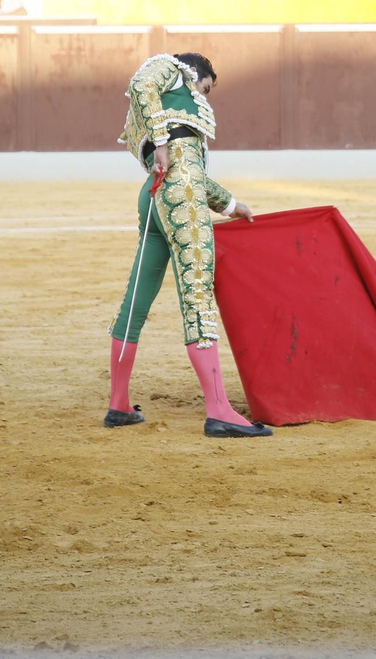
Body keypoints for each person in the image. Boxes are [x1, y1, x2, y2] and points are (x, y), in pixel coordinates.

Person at [106, 52, 264, 437]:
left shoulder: (156, 112)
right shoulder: (173, 71)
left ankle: (119, 404)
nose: (203, 96)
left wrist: (231, 204)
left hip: (155, 195)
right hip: (180, 194)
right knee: (197, 294)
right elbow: (182, 165)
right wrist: (162, 141)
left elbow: (183, 168)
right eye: (205, 87)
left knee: (136, 300)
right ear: (196, 72)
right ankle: (219, 409)